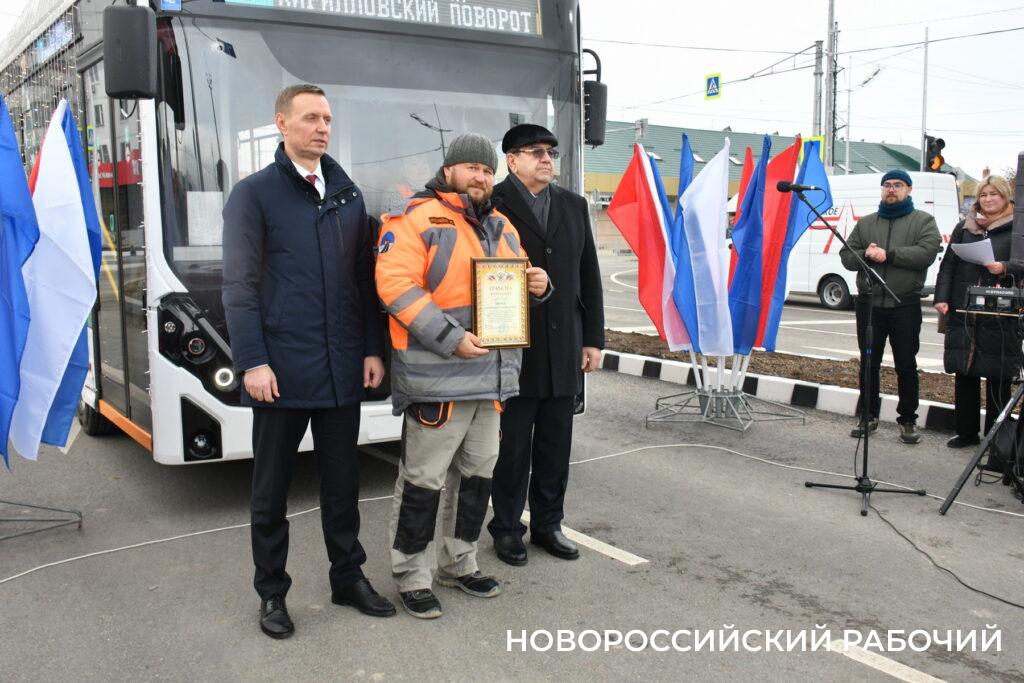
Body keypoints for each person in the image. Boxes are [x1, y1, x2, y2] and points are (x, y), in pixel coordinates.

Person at [222, 84, 395, 639]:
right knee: (271, 492)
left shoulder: (347, 195)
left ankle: (348, 578)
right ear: (282, 123)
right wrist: (253, 360)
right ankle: (272, 592)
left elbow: (363, 283)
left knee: (342, 486)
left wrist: (372, 348)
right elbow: (238, 287)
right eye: (311, 118)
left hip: (341, 369)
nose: (322, 127)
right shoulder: (254, 195)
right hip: (280, 371)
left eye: (327, 119)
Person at [375, 133, 550, 619]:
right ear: (449, 169)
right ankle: (412, 576)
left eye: (488, 170)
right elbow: (395, 287)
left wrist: (539, 285)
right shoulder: (414, 218)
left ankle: (459, 564)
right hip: (438, 380)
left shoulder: (502, 225)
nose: (481, 176)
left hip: (491, 381)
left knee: (476, 480)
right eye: (472, 167)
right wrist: (451, 338)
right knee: (423, 483)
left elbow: (514, 289)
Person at [486, 124, 604, 566]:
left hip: (564, 347)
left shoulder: (573, 205)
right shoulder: (492, 203)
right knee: (512, 448)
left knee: (556, 445)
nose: (546, 159)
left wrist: (592, 339)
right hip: (514, 347)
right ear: (512, 160)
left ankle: (548, 525)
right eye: (535, 151)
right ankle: (506, 529)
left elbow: (589, 274)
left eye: (551, 152)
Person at [839, 169, 942, 444]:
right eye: (887, 185)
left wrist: (890, 255)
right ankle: (868, 415)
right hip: (869, 304)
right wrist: (865, 254)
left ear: (909, 190)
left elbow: (926, 253)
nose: (891, 189)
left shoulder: (923, 221)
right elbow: (847, 256)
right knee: (868, 362)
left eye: (898, 185)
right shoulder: (866, 223)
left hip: (904, 304)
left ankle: (907, 419)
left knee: (905, 363)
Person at [933, 175, 1022, 449]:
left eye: (994, 194)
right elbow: (948, 265)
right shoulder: (965, 227)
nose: (988, 199)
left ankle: (996, 439)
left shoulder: (1018, 228)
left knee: (998, 377)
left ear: (1005, 196)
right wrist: (942, 298)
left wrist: (1005, 267)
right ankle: (966, 432)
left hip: (1000, 315)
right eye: (983, 195)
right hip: (965, 310)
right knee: (965, 372)